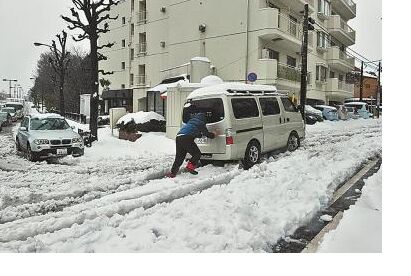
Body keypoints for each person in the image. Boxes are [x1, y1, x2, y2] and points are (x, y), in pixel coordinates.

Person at [167, 106, 215, 178]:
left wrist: (200, 135)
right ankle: (190, 166)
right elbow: (206, 134)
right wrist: (214, 134)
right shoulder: (201, 123)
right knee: (197, 154)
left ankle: (172, 173)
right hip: (186, 138)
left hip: (179, 137)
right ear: (204, 118)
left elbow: (195, 132)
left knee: (179, 157)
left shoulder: (191, 122)